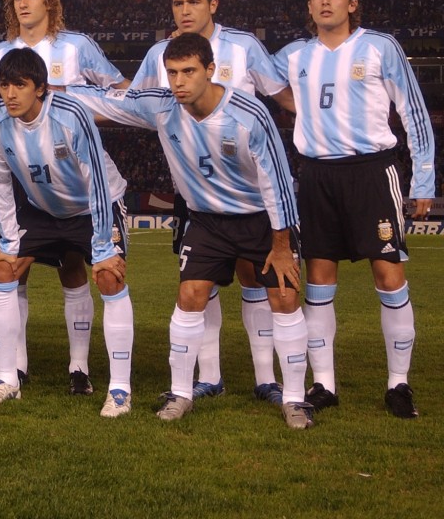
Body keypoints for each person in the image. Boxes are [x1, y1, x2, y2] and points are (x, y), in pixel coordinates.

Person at [70, 33, 313, 429]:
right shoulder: (162, 107)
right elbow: (102, 99)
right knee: (190, 296)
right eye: (171, 73)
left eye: (188, 72)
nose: (178, 81)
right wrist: (44, 92)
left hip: (259, 220)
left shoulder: (249, 114)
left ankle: (295, 399)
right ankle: (181, 393)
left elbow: (277, 181)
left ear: (210, 71)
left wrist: (282, 243)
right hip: (206, 221)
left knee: (284, 299)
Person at [273, 0, 435, 419]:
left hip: (371, 173)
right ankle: (324, 383)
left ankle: (398, 384)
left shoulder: (380, 47)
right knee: (320, 280)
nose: (326, 1)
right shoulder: (293, 56)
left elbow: (414, 112)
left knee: (388, 275)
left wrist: (423, 178)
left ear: (352, 3)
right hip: (317, 175)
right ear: (308, 6)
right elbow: (249, 77)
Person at [132, 0, 297, 405]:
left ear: (213, 6)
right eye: (177, 4)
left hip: (246, 181)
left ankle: (267, 377)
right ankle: (209, 375)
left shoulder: (243, 47)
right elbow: (135, 101)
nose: (184, 11)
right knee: (198, 282)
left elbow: (283, 97)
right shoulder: (158, 53)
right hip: (196, 184)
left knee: (253, 277)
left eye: (193, 3)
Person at [0, 0, 130, 395]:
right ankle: (15, 370)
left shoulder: (76, 46)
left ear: (49, 0)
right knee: (10, 267)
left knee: (77, 267)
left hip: (79, 169)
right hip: (30, 180)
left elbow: (122, 89)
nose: (24, 3)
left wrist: (75, 105)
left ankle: (81, 369)